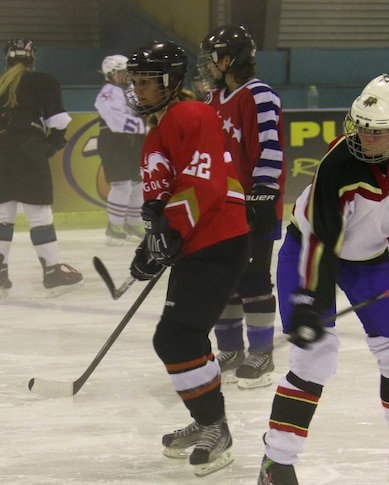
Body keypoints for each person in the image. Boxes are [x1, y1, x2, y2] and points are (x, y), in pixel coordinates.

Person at [257, 74, 389, 485]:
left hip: (369, 259)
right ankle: (275, 462)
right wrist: (308, 299)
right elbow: (322, 235)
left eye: (377, 133)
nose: (365, 139)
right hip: (309, 249)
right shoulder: (339, 161)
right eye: (362, 128)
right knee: (315, 357)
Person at [124, 40, 250, 476]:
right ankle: (206, 422)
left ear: (171, 81)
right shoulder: (160, 124)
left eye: (147, 82)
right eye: (135, 82)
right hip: (199, 241)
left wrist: (169, 233)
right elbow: (165, 196)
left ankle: (215, 426)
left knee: (176, 338)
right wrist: (151, 245)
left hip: (219, 239)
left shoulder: (190, 114)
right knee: (183, 338)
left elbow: (204, 184)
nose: (138, 90)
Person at [198, 24, 286, 389]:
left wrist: (263, 194)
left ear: (230, 59)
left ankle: (261, 352)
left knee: (253, 279)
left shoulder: (259, 95)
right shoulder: (211, 100)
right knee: (223, 280)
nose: (207, 64)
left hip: (254, 205)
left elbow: (271, 147)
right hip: (222, 207)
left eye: (212, 57)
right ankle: (231, 350)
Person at [0, 39, 83, 297]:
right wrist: (48, 146)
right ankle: (51, 272)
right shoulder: (43, 81)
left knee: (2, 215)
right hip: (27, 152)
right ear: (31, 58)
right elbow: (58, 122)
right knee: (39, 214)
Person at [94, 54, 147, 246]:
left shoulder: (131, 91)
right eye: (122, 72)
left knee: (137, 184)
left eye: (128, 72)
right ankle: (115, 226)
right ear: (111, 74)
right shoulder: (107, 92)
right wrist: (145, 126)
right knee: (122, 185)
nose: (126, 76)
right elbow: (116, 122)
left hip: (133, 142)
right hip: (113, 142)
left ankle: (133, 224)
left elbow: (143, 110)